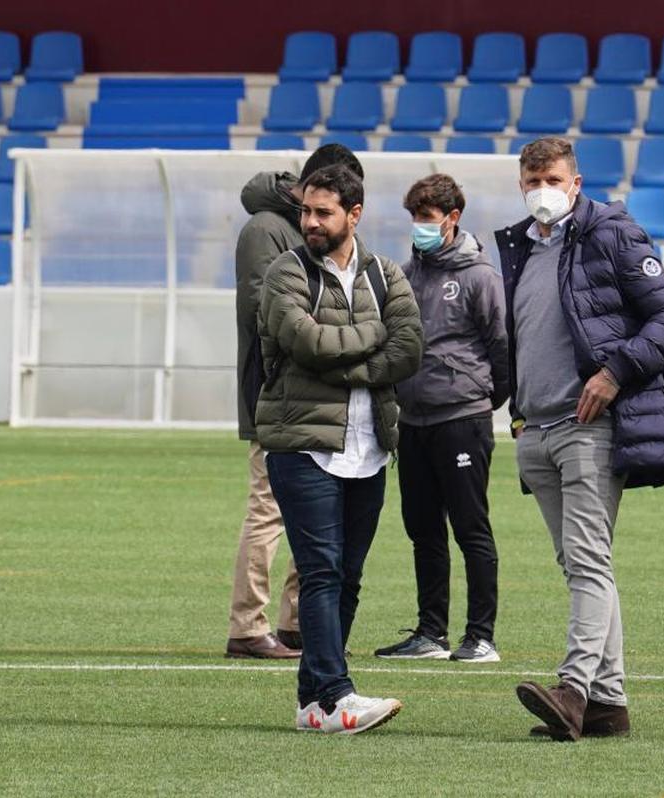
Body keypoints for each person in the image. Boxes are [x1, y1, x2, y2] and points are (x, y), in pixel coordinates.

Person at [495, 137, 664, 741]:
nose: (541, 190)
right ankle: (609, 703)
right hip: (537, 427)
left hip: (590, 426)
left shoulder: (611, 234)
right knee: (581, 564)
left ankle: (574, 689)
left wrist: (615, 372)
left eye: (552, 178)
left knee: (586, 561)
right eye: (531, 180)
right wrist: (518, 414)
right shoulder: (517, 248)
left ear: (575, 183)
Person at [256, 164, 423, 734]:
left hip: (369, 448)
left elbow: (410, 349)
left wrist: (351, 363)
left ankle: (312, 700)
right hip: (302, 446)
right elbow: (305, 342)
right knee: (321, 571)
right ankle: (335, 697)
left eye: (323, 212)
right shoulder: (286, 270)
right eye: (306, 211)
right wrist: (374, 339)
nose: (310, 222)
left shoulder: (384, 274)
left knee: (347, 576)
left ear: (354, 214)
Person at [228, 144, 365, 660]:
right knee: (268, 510)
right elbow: (264, 312)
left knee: (314, 514)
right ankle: (246, 626)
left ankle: (296, 624)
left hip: (324, 398)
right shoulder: (265, 229)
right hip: (275, 394)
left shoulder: (318, 233)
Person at [374, 174, 509, 663]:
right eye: (414, 218)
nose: (419, 227)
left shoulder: (479, 276)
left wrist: (481, 399)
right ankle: (431, 633)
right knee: (422, 528)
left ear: (452, 219)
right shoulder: (407, 273)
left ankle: (482, 636)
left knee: (471, 527)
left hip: (462, 419)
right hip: (413, 421)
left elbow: (501, 347)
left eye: (427, 218)